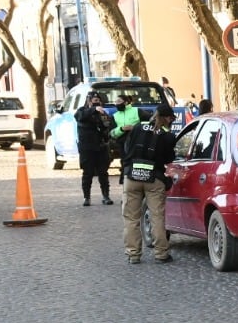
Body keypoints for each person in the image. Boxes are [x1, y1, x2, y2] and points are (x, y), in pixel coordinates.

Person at [121, 103, 178, 264]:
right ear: (167, 118)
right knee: (157, 217)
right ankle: (161, 253)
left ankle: (133, 254)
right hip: (155, 179)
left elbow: (127, 148)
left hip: (132, 177)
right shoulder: (168, 136)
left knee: (131, 218)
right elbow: (169, 159)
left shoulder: (138, 127)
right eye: (171, 118)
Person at [73, 90, 114, 206]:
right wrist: (93, 110)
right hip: (87, 148)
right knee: (88, 173)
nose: (97, 103)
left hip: (101, 147)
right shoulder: (82, 111)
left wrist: (103, 117)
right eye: (94, 100)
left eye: (98, 101)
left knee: (103, 173)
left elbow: (108, 126)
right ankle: (87, 197)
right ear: (89, 100)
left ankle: (106, 196)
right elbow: (80, 117)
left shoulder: (102, 113)